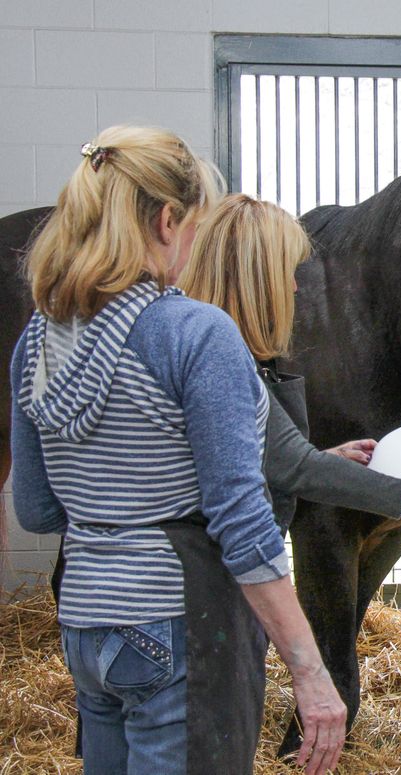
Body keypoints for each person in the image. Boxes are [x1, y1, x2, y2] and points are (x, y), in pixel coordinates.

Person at [9, 126, 345, 775]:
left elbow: (37, 508)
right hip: (177, 627)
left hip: (87, 630)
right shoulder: (194, 332)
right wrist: (310, 671)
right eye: (195, 225)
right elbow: (244, 524)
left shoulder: (37, 341)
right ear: (166, 220)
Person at [177, 193, 401, 532]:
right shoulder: (218, 353)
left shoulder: (203, 341)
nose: (295, 287)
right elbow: (296, 468)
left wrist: (329, 458)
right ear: (255, 277)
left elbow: (266, 458)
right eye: (288, 271)